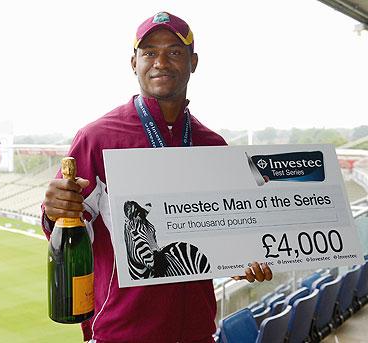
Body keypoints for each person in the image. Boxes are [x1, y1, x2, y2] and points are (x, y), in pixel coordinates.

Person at [42, 11, 273, 343]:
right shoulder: (97, 138)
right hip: (121, 333)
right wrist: (54, 211)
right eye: (149, 52)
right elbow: (67, 233)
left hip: (197, 332)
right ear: (133, 63)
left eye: (174, 52)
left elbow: (223, 238)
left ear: (193, 62)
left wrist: (242, 260)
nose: (160, 61)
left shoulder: (214, 145)